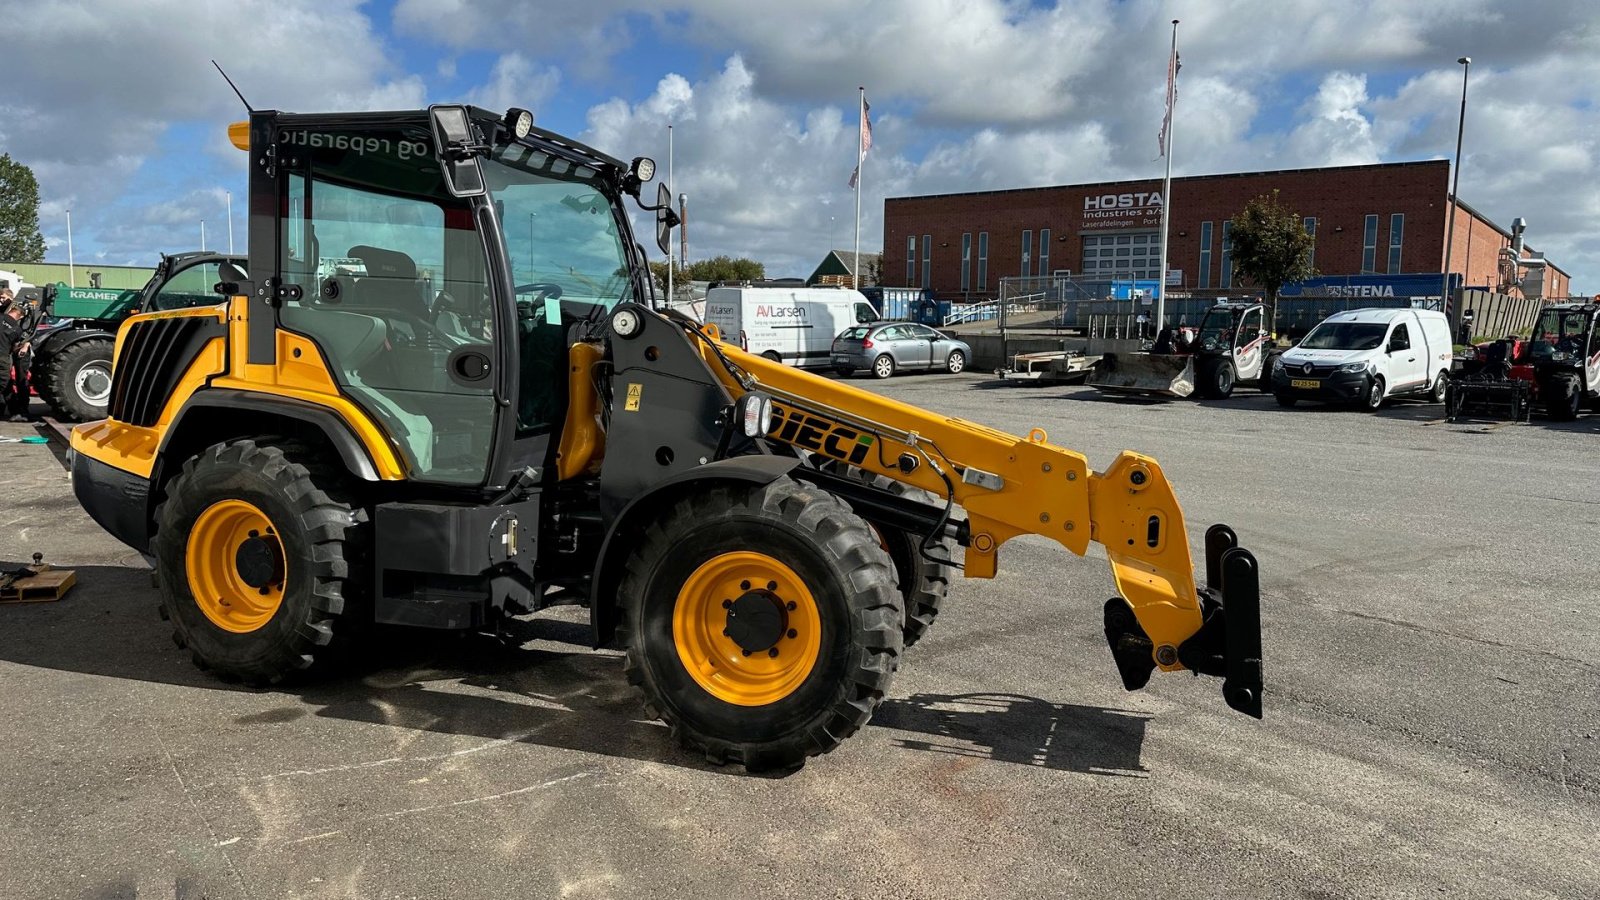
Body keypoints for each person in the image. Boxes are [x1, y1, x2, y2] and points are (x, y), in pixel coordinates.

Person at [0, 289, 23, 421]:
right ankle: (15, 412)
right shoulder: (17, 329)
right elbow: (15, 347)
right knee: (5, 385)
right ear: (20, 316)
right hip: (2, 358)